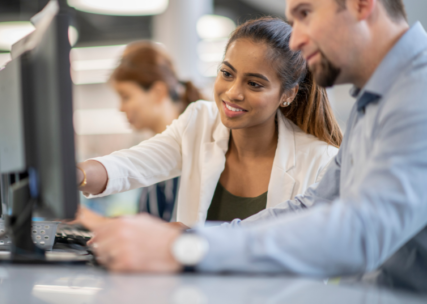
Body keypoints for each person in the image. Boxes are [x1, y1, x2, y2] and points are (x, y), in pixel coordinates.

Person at [85, 0, 427, 294]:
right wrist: (194, 237)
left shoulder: (418, 95)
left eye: (306, 14)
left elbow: (361, 232)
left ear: (362, 2)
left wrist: (190, 248)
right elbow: (316, 205)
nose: (297, 40)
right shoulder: (377, 100)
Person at [76, 17, 341, 230]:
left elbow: (283, 243)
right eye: (227, 73)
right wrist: (74, 176)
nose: (233, 92)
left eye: (254, 84)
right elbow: (131, 165)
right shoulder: (200, 121)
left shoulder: (320, 162)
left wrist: (188, 237)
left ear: (287, 94)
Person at [109, 41, 202, 221]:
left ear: (158, 92)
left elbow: (170, 232)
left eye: (126, 96)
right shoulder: (153, 152)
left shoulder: (189, 149)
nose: (120, 108)